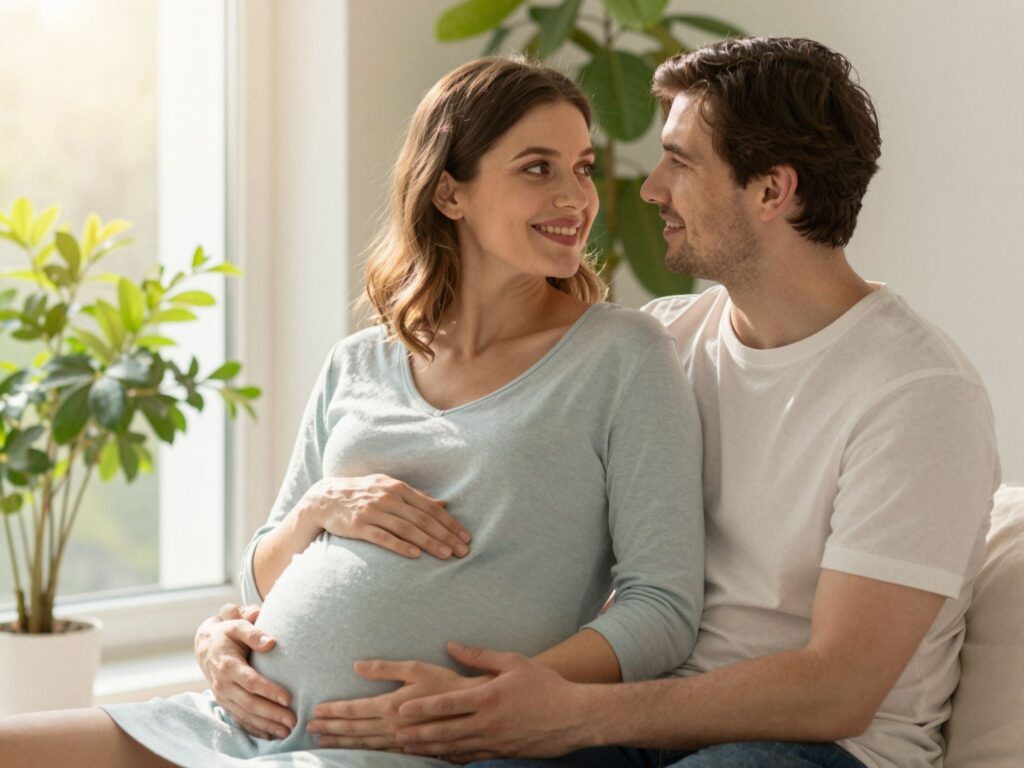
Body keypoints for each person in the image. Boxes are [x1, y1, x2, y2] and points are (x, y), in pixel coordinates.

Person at [196, 37, 1001, 768]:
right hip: (635, 723)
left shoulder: (915, 395)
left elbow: (836, 691)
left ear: (771, 190)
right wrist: (233, 632)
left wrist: (573, 712)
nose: (648, 189)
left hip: (813, 747)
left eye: (680, 162)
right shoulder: (669, 338)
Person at [0, 57, 705, 768]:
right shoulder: (359, 361)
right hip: (233, 725)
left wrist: (492, 698)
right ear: (449, 193)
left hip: (390, 748)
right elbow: (261, 583)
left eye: (581, 168)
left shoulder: (624, 356)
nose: (575, 197)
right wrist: (313, 514)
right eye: (537, 168)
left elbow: (663, 609)